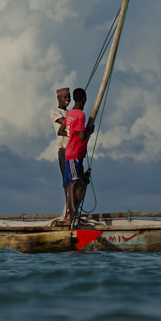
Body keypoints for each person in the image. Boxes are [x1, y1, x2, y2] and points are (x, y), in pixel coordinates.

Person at [63, 88, 94, 221]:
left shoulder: (70, 113)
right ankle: (71, 213)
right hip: (75, 153)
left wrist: (72, 134)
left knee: (70, 182)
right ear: (84, 99)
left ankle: (70, 212)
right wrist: (89, 132)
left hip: (70, 152)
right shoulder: (80, 115)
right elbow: (82, 136)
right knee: (73, 183)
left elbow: (61, 130)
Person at [50, 87, 71, 197]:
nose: (67, 99)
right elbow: (66, 123)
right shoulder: (55, 112)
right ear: (59, 98)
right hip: (64, 149)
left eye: (69, 97)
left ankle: (74, 206)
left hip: (73, 149)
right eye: (65, 97)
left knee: (76, 180)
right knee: (67, 180)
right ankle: (68, 206)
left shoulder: (70, 113)